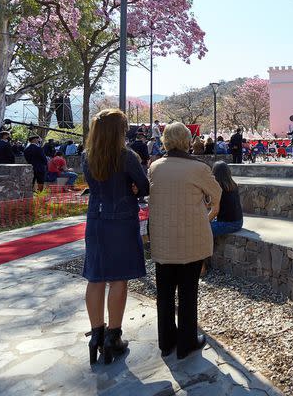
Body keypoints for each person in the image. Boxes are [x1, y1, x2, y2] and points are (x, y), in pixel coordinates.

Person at [148, 122, 223, 360]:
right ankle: (186, 342)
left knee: (165, 293)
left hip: (162, 238)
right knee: (188, 292)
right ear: (187, 140)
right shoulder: (198, 168)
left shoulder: (155, 166)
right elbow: (217, 193)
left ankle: (166, 341)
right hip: (191, 238)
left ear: (165, 141)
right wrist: (207, 211)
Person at [82, 108, 150, 365]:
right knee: (118, 279)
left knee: (95, 277)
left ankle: (95, 335)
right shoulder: (127, 157)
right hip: (121, 219)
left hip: (96, 220)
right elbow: (143, 186)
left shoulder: (87, 156)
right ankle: (113, 336)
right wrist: (133, 189)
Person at [209, 161, 243, 236]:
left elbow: (215, 211)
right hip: (239, 221)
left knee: (200, 228)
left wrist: (204, 222)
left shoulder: (218, 188)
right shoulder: (233, 185)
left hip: (228, 224)